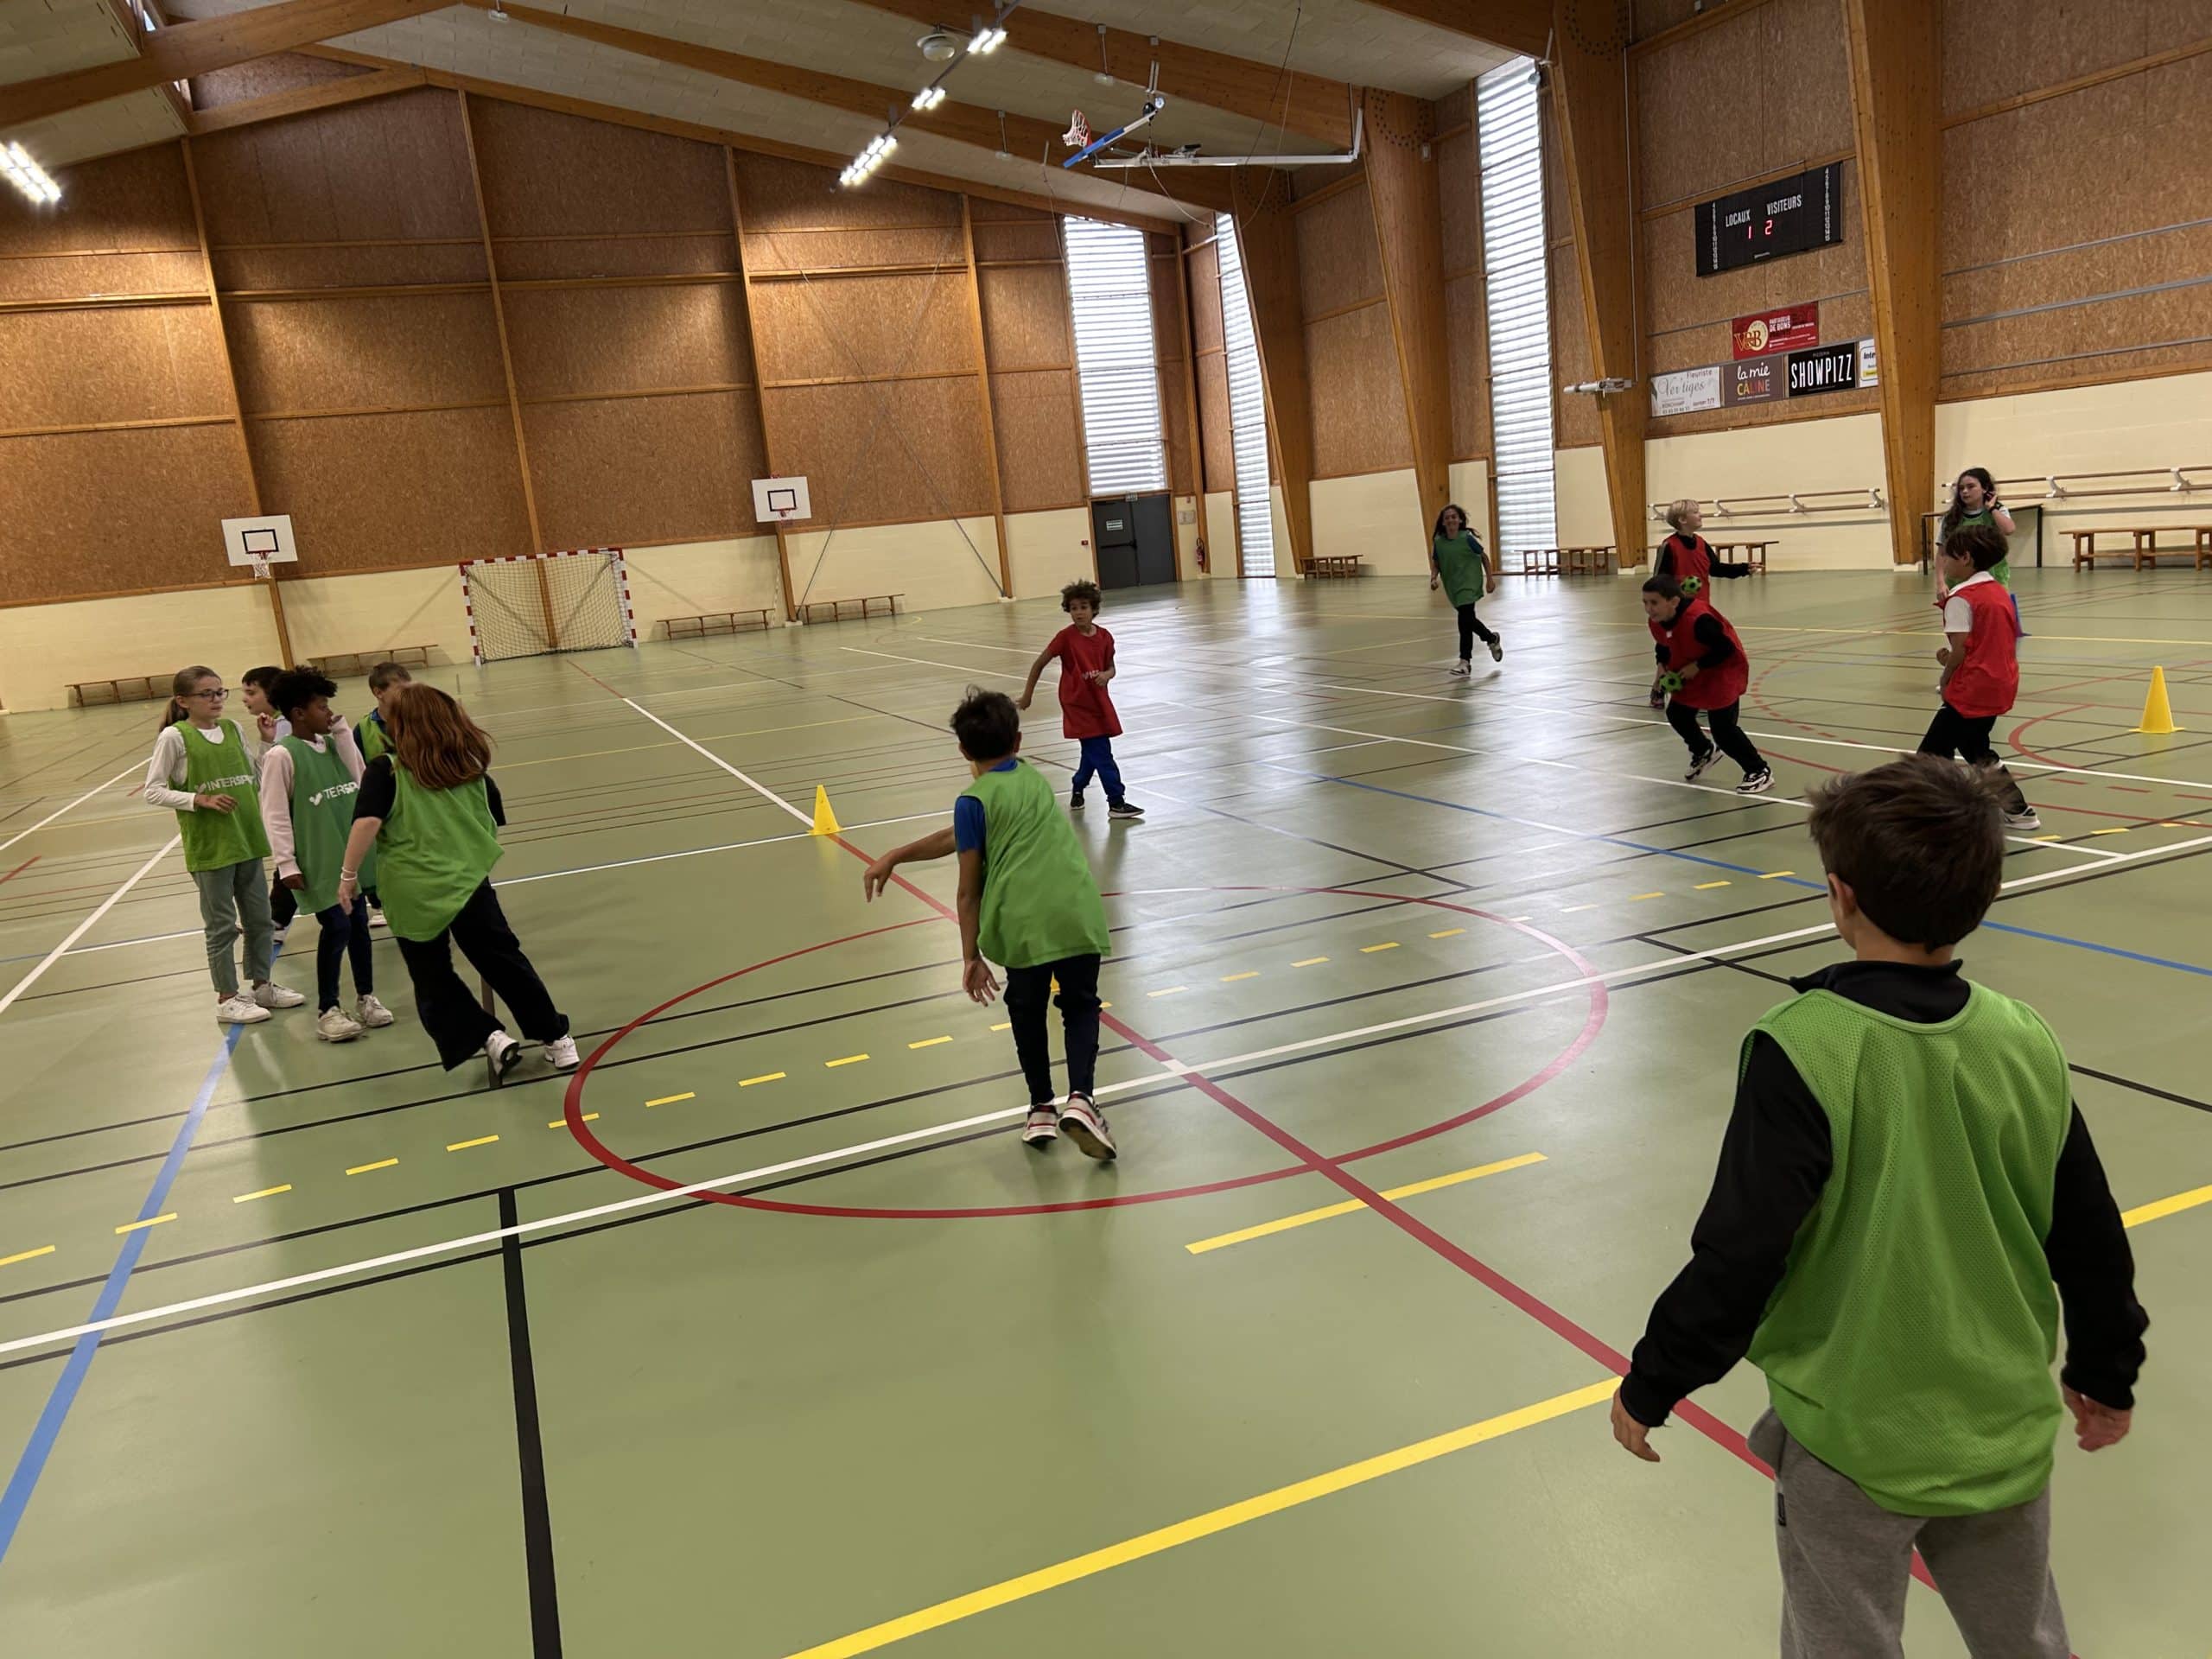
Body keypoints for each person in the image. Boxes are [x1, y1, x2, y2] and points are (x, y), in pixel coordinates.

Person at [1611, 754, 2146, 1659]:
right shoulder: (2023, 1039)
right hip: (1999, 1426)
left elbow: (1744, 1252)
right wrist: (2106, 1370)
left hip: (1851, 1439)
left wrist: (1655, 1379)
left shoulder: (1802, 1048)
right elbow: (2089, 1233)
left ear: (1840, 895)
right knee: (2024, 1638)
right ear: (1982, 895)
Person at [861, 687, 1116, 1160]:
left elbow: (968, 890)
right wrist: (899, 854)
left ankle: (1041, 1108)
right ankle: (1081, 1099)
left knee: (1026, 1009)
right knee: (1080, 1006)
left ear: (962, 750)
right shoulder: (1031, 777)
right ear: (1018, 743)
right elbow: (958, 835)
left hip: (1021, 922)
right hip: (1075, 909)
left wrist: (970, 956)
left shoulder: (973, 801)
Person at [335, 683, 575, 1079]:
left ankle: (488, 1036)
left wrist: (348, 877)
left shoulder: (387, 769)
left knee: (432, 976)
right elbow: (493, 818)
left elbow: (367, 822)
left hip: (412, 889)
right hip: (468, 881)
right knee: (505, 962)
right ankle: (557, 1038)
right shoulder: (467, 766)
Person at [141, 666, 306, 1025]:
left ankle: (262, 985)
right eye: (206, 694)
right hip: (211, 848)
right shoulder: (175, 737)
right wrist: (197, 800)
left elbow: (256, 779)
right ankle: (227, 998)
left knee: (260, 920)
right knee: (222, 926)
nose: (216, 700)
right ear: (183, 700)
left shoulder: (232, 729)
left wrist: (266, 742)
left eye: (220, 692)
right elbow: (152, 791)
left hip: (247, 838)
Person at [259, 669, 395, 1043]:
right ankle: (328, 1010)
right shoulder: (282, 756)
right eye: (322, 707)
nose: (329, 713)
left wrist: (342, 734)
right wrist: (286, 863)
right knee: (337, 927)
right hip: (316, 859)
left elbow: (362, 779)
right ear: (299, 713)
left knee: (359, 926)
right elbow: (274, 813)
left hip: (348, 855)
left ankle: (366, 997)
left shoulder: (335, 744)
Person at [1922, 524, 2041, 832]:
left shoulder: (1961, 598)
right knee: (1975, 748)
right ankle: (2019, 811)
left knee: (1931, 754)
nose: (1944, 562)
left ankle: (1937, 813)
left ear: (1965, 558)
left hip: (1972, 687)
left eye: (1948, 556)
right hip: (1998, 683)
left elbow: (1961, 649)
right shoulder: (1998, 592)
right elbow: (1985, 642)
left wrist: (1946, 676)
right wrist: (1952, 657)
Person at [1015, 579, 1142, 821]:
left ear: (1093, 609)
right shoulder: (1065, 638)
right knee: (1102, 753)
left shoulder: (1105, 637)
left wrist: (1106, 675)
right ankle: (1116, 802)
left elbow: (1111, 668)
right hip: (1076, 704)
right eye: (1073, 608)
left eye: (1083, 607)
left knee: (1091, 753)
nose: (1078, 613)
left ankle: (1078, 785)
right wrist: (1027, 696)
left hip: (1098, 702)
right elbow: (1039, 663)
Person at [1643, 575, 1772, 794]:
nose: (1649, 609)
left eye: (1654, 602)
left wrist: (1698, 665)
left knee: (1723, 730)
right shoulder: (1658, 621)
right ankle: (1703, 750)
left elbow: (1726, 648)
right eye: (1645, 602)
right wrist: (1661, 666)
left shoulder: (1699, 620)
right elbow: (1663, 644)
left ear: (1673, 601)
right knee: (1677, 713)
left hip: (1722, 670)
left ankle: (1759, 770)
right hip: (1692, 669)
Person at [239, 664, 298, 939]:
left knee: (291, 862)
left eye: (251, 693)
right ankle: (277, 919)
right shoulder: (275, 726)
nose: (245, 699)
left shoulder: (289, 726)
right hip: (289, 811)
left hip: (301, 809)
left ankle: (276, 919)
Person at [1936, 466, 2024, 637]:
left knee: (1992, 627)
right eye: (1961, 488)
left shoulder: (1997, 511)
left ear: (1985, 488)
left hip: (1993, 578)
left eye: (1971, 487)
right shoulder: (1951, 518)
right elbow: (1942, 552)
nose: (1965, 491)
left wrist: (1992, 508)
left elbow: (2009, 529)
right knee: (1961, 629)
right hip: (1958, 580)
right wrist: (1940, 582)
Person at [1427, 503, 1502, 675]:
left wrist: (1490, 580)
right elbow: (1437, 563)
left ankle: (1465, 662)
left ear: (1460, 520)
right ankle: (1491, 638)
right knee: (1467, 620)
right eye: (1447, 518)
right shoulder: (1439, 542)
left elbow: (1484, 558)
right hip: (1453, 586)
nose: (1451, 520)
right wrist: (1433, 578)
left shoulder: (1467, 538)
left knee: (1464, 621)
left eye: (1454, 517)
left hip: (1469, 584)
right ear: (1443, 522)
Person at [1652, 499, 1751, 589]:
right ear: (1682, 520)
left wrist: (1744, 568)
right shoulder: (1669, 545)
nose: (1701, 515)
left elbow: (1716, 569)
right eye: (1695, 512)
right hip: (1678, 602)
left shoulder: (1701, 543)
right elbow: (1659, 580)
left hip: (1702, 601)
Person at [354, 659, 413, 765]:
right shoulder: (362, 730)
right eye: (400, 689)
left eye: (409, 689)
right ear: (378, 693)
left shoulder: (420, 720)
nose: (407, 694)